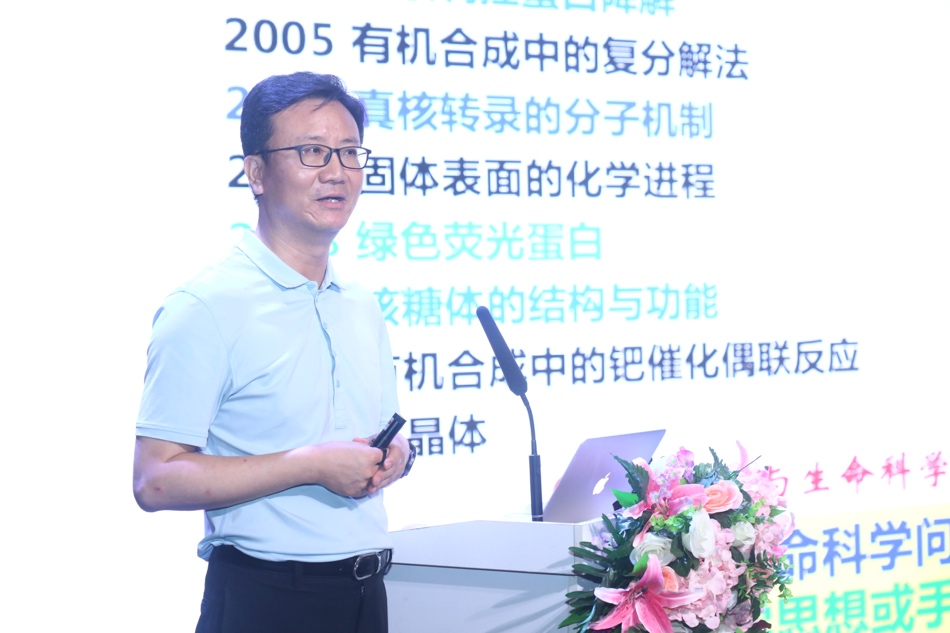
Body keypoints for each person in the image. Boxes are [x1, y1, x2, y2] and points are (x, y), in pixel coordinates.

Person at [132, 71, 414, 633]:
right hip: (265, 598)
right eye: (312, 152)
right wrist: (308, 466)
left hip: (366, 592)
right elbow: (154, 480)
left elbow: (377, 429)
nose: (336, 171)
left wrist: (397, 455)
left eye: (350, 152)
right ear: (256, 172)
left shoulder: (360, 301)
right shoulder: (205, 305)